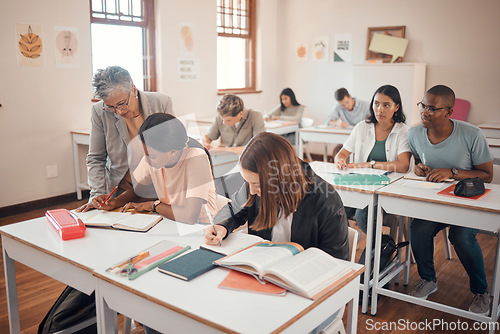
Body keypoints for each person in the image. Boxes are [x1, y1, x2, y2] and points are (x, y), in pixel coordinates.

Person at [408, 85, 494, 314]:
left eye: (433, 109)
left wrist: (452, 172)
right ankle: (428, 279)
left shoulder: (472, 134)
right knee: (418, 228)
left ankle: (481, 292)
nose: (425, 112)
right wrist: (419, 168)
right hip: (437, 201)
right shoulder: (414, 133)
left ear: (449, 112)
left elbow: (487, 175)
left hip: (468, 201)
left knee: (461, 236)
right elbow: (418, 162)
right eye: (423, 106)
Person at [205, 132, 349, 260]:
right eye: (248, 183)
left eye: (256, 184)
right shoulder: (255, 186)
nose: (253, 191)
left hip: (303, 279)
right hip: (264, 269)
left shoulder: (326, 202)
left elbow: (336, 264)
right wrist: (221, 225)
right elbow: (234, 210)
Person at [77, 66, 174, 212]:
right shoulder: (99, 111)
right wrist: (97, 194)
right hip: (119, 190)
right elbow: (96, 158)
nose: (119, 111)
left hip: (157, 187)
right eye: (111, 107)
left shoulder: (161, 103)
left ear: (133, 90)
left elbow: (172, 148)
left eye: (122, 104)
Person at [334, 85, 411, 235]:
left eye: (386, 105)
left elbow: (403, 165)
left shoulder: (403, 131)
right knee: (334, 207)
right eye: (376, 104)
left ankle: (380, 248)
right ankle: (346, 247)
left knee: (362, 217)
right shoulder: (362, 127)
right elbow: (342, 153)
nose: (379, 109)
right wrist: (340, 160)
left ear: (396, 107)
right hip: (361, 187)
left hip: (388, 190)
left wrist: (370, 164)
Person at [120, 113, 217, 224]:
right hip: (168, 218)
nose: (146, 160)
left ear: (172, 151)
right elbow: (138, 190)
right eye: (145, 154)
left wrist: (154, 206)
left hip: (201, 225)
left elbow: (189, 216)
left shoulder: (196, 157)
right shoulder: (153, 156)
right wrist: (114, 201)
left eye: (151, 156)